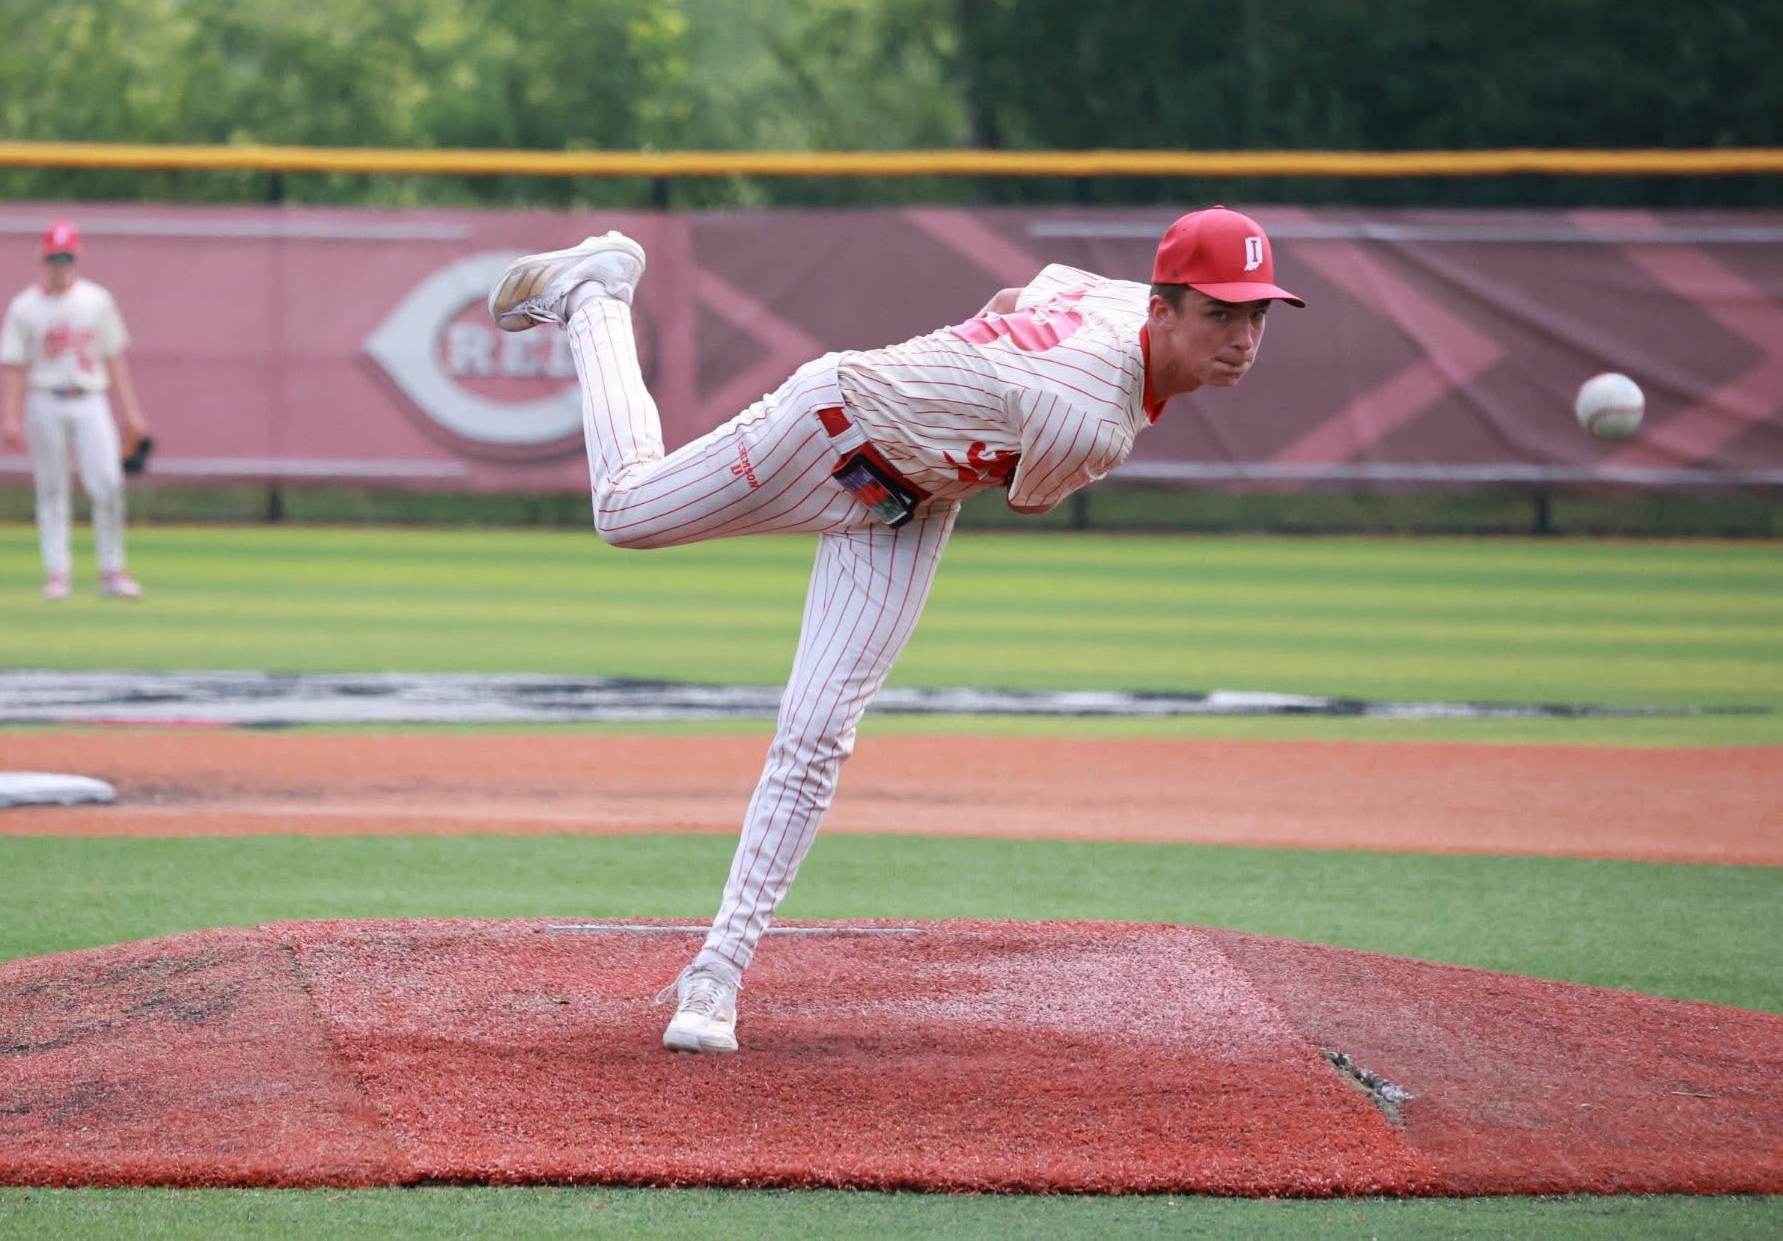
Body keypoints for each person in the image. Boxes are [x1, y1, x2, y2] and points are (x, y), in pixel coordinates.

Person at [487, 207, 1304, 1053]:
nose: (1242, 336)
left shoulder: (1115, 297)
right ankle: (597, 294)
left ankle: (715, 975)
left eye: (1256, 314)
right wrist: (973, 385)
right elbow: (1028, 491)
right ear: (1163, 312)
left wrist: (971, 375)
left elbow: (1015, 294)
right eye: (1220, 313)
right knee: (625, 509)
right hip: (828, 430)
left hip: (908, 503)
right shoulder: (1090, 421)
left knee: (817, 730)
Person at [0, 220, 150, 600]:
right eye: (54, 257)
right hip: (45, 399)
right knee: (51, 490)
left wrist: (132, 413)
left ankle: (112, 571)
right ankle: (57, 574)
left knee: (109, 484)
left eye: (66, 257)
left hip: (89, 399)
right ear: (42, 257)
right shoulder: (24, 307)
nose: (59, 264)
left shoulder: (96, 300)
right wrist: (10, 416)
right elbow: (13, 365)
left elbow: (114, 359)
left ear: (76, 258)